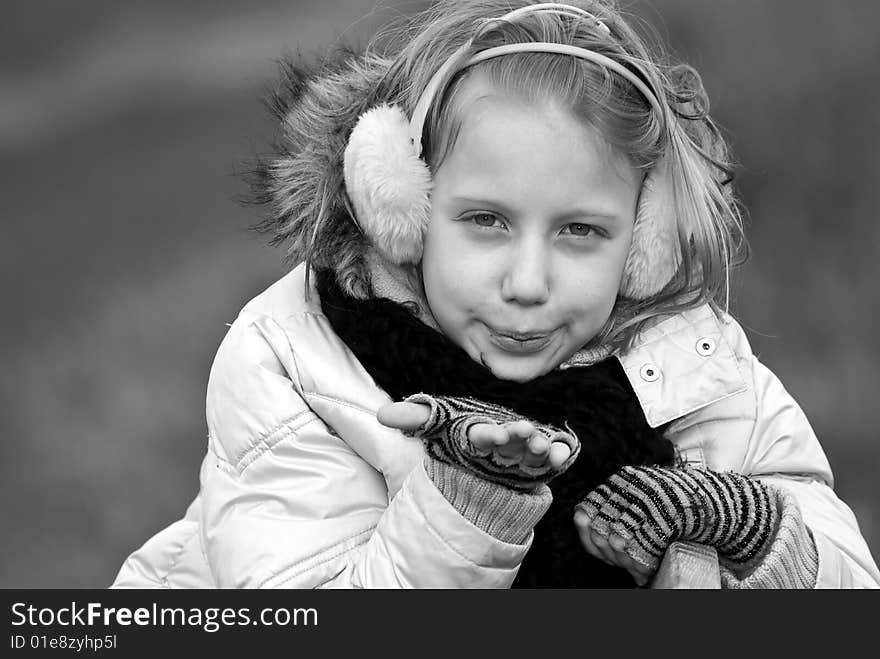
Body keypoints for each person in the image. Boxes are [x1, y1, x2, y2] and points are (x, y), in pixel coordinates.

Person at [112, 0, 880, 588]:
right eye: (486, 221)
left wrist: (742, 537)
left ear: (646, 240)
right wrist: (466, 505)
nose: (528, 283)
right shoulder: (299, 363)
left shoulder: (692, 364)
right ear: (400, 211)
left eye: (580, 231)